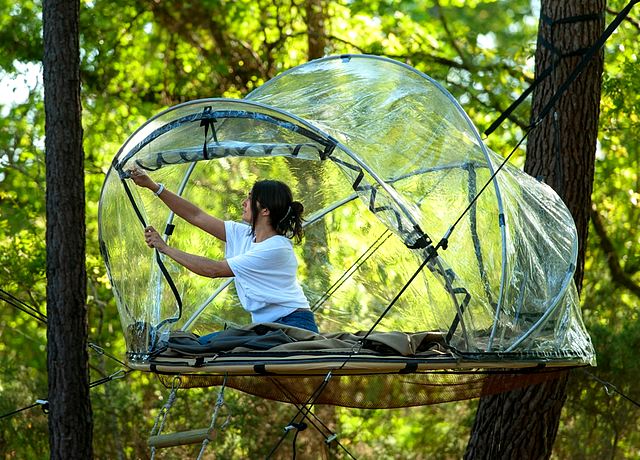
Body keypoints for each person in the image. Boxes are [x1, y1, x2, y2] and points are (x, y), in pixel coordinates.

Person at [128, 167, 319, 335]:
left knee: (213, 345)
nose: (244, 202)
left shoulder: (276, 248)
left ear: (265, 210)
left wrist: (165, 248)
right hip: (267, 328)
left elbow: (214, 270)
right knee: (213, 344)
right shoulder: (245, 235)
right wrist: (153, 186)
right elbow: (196, 215)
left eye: (250, 198)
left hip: (293, 325)